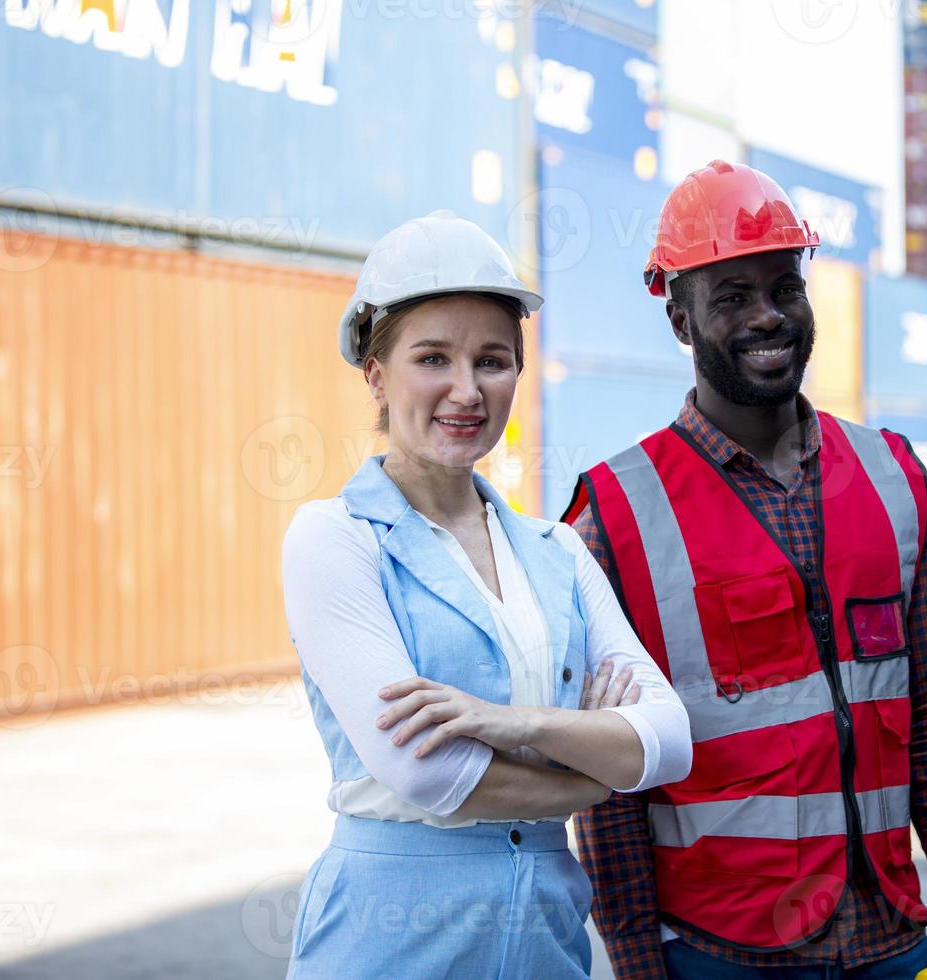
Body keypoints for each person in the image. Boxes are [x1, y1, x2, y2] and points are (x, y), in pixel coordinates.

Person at [563, 162, 927, 980]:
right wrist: (636, 962)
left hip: (892, 940)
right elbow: (609, 779)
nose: (768, 316)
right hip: (719, 955)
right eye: (731, 296)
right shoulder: (614, 517)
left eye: (784, 288)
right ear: (680, 319)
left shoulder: (893, 477)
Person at [280, 211, 692, 979]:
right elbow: (425, 773)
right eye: (433, 357)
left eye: (493, 361)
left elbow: (668, 740)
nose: (466, 391)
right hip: (387, 939)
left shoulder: (557, 551)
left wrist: (515, 723)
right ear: (375, 373)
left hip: (545, 939)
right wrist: (593, 772)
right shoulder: (335, 540)